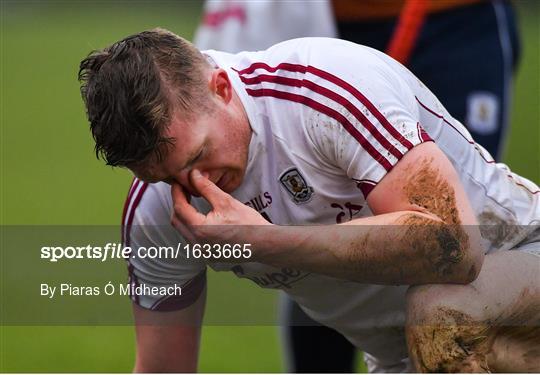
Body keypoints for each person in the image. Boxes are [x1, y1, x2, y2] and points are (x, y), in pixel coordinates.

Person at [78, 29, 540, 373]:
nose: (198, 186)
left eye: (199, 156)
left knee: (440, 313)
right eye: (166, 178)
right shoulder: (155, 214)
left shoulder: (321, 90)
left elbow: (457, 249)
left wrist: (267, 241)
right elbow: (164, 370)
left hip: (520, 256)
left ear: (221, 88)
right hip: (411, 357)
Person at [194, 2, 522, 370]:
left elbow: (452, 238)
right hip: (331, 24)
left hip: (451, 21)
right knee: (315, 221)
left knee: (459, 219)